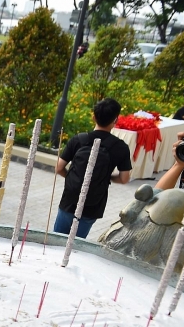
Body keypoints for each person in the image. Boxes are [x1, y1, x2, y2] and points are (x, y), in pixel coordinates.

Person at [54, 98, 132, 239]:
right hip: (94, 204)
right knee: (76, 243)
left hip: (69, 200)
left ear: (93, 117)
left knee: (57, 240)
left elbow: (59, 168)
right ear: (116, 120)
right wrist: (105, 177)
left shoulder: (79, 139)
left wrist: (73, 177)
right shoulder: (120, 147)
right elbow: (124, 178)